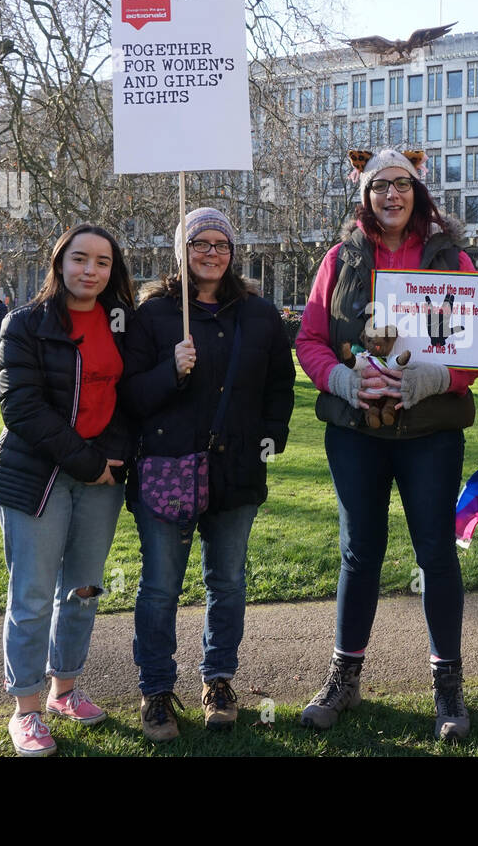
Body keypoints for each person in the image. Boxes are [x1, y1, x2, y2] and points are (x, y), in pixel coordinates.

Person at [295, 148, 478, 740]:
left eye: (402, 185)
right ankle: (344, 680)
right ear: (365, 196)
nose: (392, 196)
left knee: (435, 551)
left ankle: (448, 689)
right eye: (380, 188)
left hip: (429, 431)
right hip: (356, 432)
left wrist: (435, 379)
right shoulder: (340, 258)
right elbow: (311, 339)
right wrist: (343, 381)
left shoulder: (454, 259)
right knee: (359, 551)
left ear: (419, 192)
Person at [121, 208, 294, 741]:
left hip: (236, 470)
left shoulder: (260, 315)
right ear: (182, 250)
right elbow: (129, 396)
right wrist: (170, 371)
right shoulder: (152, 315)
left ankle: (218, 680)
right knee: (160, 588)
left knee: (228, 582)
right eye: (200, 243)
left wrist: (270, 438)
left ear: (233, 252)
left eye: (221, 243)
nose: (212, 253)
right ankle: (156, 690)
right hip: (167, 470)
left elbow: (279, 388)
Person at [0, 223, 135, 757]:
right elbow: (21, 408)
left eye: (102, 262)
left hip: (102, 481)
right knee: (31, 595)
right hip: (39, 476)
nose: (90, 270)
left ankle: (64, 689)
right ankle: (25, 710)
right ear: (59, 261)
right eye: (80, 258)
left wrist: (108, 458)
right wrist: (87, 461)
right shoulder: (25, 324)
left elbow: (130, 396)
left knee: (83, 590)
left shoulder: (123, 325)